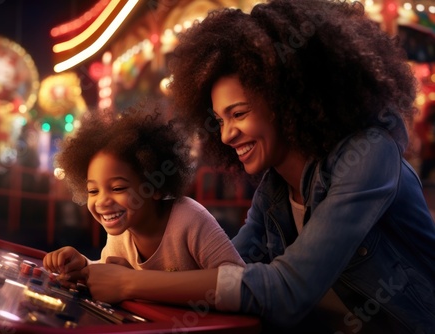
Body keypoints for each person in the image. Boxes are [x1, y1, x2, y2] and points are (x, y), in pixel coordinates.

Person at [73, 1, 435, 333]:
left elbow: (287, 291)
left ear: (286, 99)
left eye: (239, 114)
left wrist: (129, 284)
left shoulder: (369, 156)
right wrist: (100, 270)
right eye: (219, 119)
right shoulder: (275, 189)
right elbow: (226, 274)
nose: (227, 134)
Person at [43, 105, 245, 280]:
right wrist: (83, 266)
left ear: (155, 186)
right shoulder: (122, 232)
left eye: (118, 188)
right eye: (93, 190)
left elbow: (239, 280)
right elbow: (109, 273)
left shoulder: (190, 219)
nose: (102, 201)